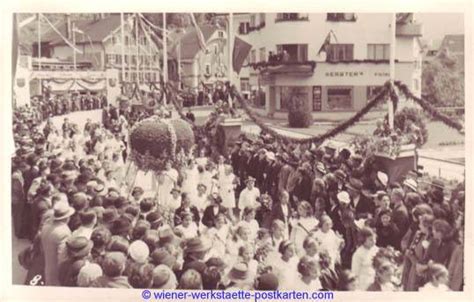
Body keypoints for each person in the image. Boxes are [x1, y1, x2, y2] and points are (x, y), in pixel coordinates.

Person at [40, 202, 75, 286]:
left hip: (48, 265)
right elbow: (62, 259)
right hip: (57, 272)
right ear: (66, 218)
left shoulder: (46, 226)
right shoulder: (64, 232)